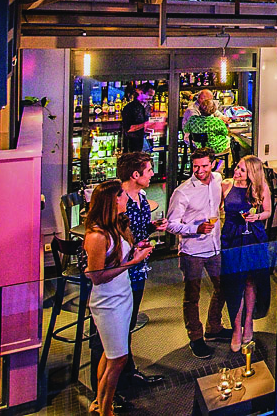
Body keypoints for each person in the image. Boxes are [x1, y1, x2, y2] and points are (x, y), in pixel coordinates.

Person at [90, 153, 166, 403]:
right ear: (135, 175)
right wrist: (133, 257)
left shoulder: (141, 198)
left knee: (126, 328)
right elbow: (99, 268)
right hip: (118, 280)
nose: (152, 174)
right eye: (148, 170)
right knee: (108, 338)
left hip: (134, 274)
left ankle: (126, 375)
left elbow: (133, 236)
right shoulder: (115, 208)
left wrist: (152, 229)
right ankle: (104, 393)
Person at [83, 180, 154, 416]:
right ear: (113, 200)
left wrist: (136, 250)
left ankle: (102, 404)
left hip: (122, 296)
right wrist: (133, 262)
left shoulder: (115, 226)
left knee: (109, 353)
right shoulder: (97, 235)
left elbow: (117, 260)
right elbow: (96, 276)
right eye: (122, 194)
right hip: (108, 302)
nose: (126, 197)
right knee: (118, 358)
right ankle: (105, 410)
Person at [164, 147, 230, 359]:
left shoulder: (218, 179)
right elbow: (171, 225)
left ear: (212, 164)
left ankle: (214, 326)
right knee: (192, 295)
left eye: (203, 166)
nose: (199, 170)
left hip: (214, 246)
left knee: (224, 287)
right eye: (195, 166)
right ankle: (195, 337)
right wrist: (195, 229)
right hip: (192, 250)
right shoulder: (182, 191)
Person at [220, 156, 272, 353]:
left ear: (251, 172)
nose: (236, 172)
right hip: (232, 236)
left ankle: (248, 322)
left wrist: (256, 216)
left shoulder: (260, 187)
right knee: (234, 284)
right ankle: (236, 327)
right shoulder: (226, 185)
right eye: (237, 168)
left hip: (253, 236)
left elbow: (267, 211)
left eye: (241, 170)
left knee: (250, 281)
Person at [182, 96, 231, 175]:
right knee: (229, 144)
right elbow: (224, 132)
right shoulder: (217, 121)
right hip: (214, 149)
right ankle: (219, 171)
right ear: (213, 110)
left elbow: (186, 130)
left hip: (198, 148)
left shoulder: (193, 120)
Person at [120, 84, 154, 153]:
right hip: (133, 147)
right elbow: (128, 128)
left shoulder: (147, 107)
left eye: (152, 96)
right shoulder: (129, 107)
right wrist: (146, 124)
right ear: (141, 93)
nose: (151, 98)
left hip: (145, 143)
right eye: (149, 95)